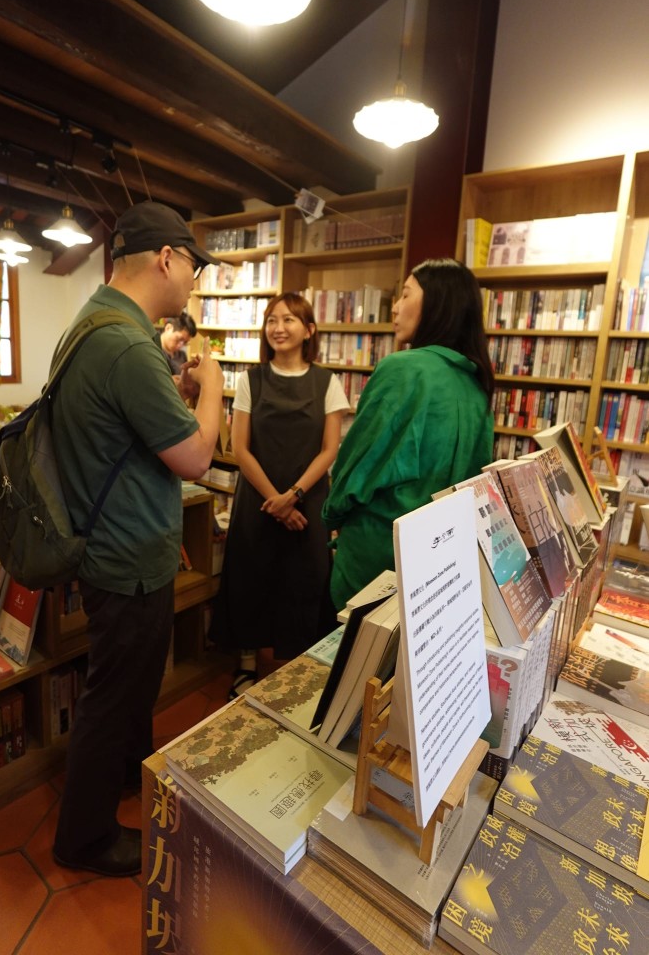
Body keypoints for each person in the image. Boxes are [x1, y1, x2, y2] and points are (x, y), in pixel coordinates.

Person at [50, 201, 224, 877]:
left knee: (121, 687)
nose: (193, 284)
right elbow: (196, 457)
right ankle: (84, 838)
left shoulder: (95, 322)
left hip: (109, 543)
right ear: (167, 259)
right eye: (193, 269)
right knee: (114, 696)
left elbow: (125, 432)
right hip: (125, 557)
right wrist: (212, 387)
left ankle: (119, 782)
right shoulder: (127, 342)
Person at [322, 258, 495, 611]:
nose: (395, 307)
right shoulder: (475, 382)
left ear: (437, 303)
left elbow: (356, 465)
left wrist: (332, 518)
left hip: (379, 552)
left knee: (354, 640)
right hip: (439, 559)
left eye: (405, 294)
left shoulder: (403, 369)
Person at [209, 292, 350, 697]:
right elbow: (240, 448)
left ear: (309, 330)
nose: (278, 327)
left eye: (289, 319)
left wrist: (293, 495)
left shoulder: (327, 382)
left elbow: (330, 450)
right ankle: (246, 663)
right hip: (258, 499)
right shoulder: (250, 380)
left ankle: (300, 669)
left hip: (307, 500)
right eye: (272, 319)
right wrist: (276, 499)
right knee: (250, 577)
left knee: (305, 579)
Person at [159, 310, 197, 375]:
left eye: (185, 342)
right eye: (179, 339)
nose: (181, 345)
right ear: (168, 328)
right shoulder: (152, 350)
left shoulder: (182, 356)